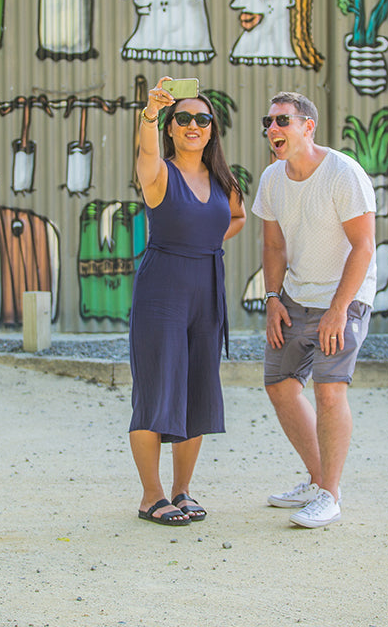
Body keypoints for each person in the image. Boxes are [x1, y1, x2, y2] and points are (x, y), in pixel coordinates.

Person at [251, 92, 377, 528]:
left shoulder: (343, 173)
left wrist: (339, 309)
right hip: (294, 296)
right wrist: (271, 299)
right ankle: (317, 479)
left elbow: (364, 246)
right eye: (268, 122)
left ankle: (331, 495)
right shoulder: (271, 179)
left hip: (345, 297)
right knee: (281, 385)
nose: (273, 129)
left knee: (329, 388)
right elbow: (272, 245)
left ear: (308, 126)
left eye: (282, 120)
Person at [129, 77, 247, 526]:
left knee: (198, 390)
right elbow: (146, 152)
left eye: (202, 118)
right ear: (172, 128)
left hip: (207, 286)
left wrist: (208, 240)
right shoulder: (159, 172)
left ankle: (182, 491)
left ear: (212, 128)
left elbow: (235, 217)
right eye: (184, 118)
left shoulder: (222, 178)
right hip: (163, 289)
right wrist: (149, 114)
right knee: (157, 389)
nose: (193, 124)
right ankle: (151, 496)